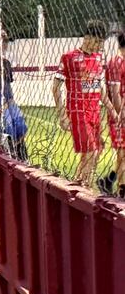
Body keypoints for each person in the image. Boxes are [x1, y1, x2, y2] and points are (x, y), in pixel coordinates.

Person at [53, 20, 109, 186]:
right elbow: (56, 88)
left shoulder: (98, 58)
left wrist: (111, 110)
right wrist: (62, 115)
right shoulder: (69, 57)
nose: (100, 46)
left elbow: (98, 87)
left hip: (95, 112)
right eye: (98, 42)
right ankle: (85, 187)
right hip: (78, 112)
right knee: (91, 151)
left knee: (96, 150)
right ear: (87, 37)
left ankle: (79, 183)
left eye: (102, 43)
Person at [0, 31, 28, 161]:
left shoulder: (6, 63)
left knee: (21, 127)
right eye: (3, 42)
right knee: (5, 130)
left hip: (8, 101)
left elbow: (8, 88)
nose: (5, 45)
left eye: (6, 42)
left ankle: (21, 157)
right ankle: (10, 155)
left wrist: (11, 103)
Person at [106, 31, 125, 197]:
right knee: (121, 152)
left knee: (122, 154)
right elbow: (115, 92)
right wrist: (120, 116)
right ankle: (121, 189)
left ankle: (109, 181)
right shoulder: (116, 63)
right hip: (118, 117)